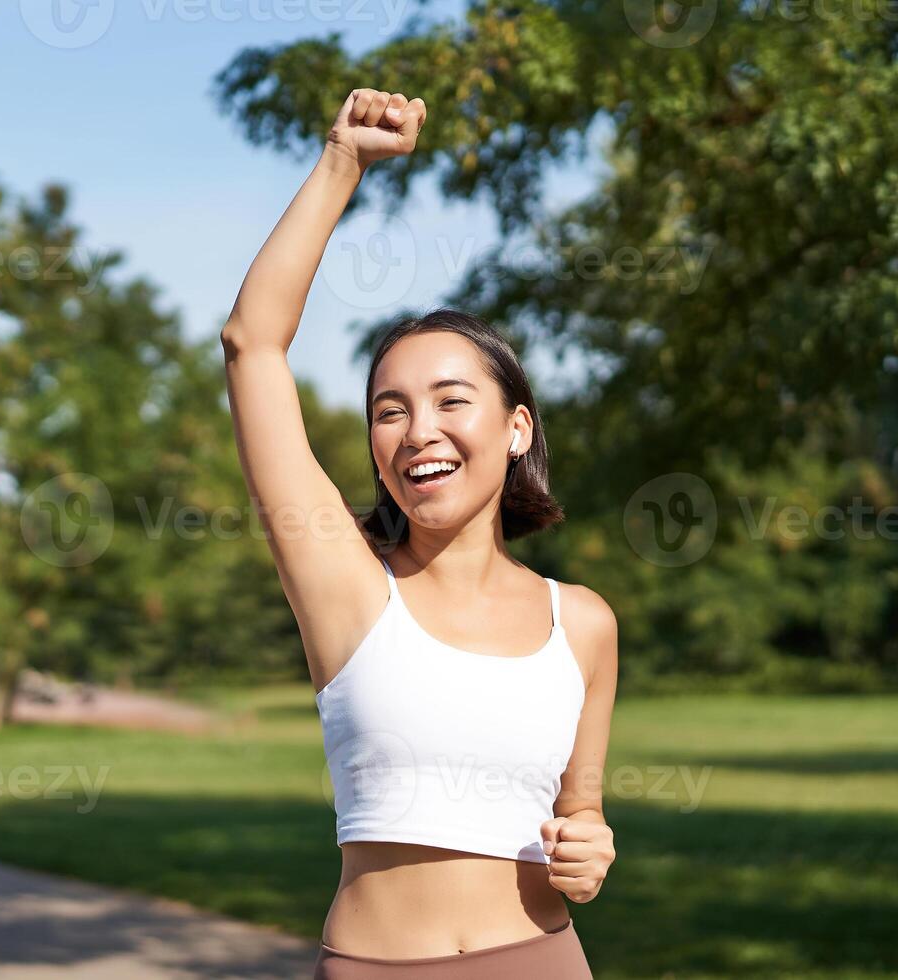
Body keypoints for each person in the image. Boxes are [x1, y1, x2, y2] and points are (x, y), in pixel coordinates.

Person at [220, 88, 617, 979]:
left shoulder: (583, 623)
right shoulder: (349, 588)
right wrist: (341, 163)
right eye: (388, 410)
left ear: (516, 428)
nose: (417, 431)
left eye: (450, 401)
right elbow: (253, 344)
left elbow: (580, 812)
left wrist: (589, 850)